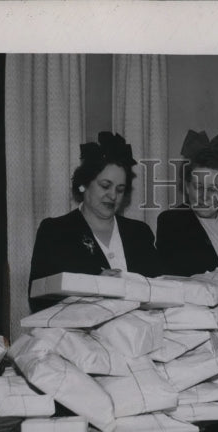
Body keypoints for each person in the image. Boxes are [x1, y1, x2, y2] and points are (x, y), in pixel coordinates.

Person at [28, 132, 162, 312]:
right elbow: (39, 300)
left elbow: (160, 289)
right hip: (79, 335)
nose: (113, 196)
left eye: (120, 189)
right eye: (105, 186)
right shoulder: (56, 231)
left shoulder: (139, 232)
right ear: (84, 184)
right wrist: (94, 285)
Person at [156, 129, 218, 275]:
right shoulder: (171, 222)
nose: (204, 196)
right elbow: (187, 273)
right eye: (198, 187)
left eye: (213, 189)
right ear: (187, 187)